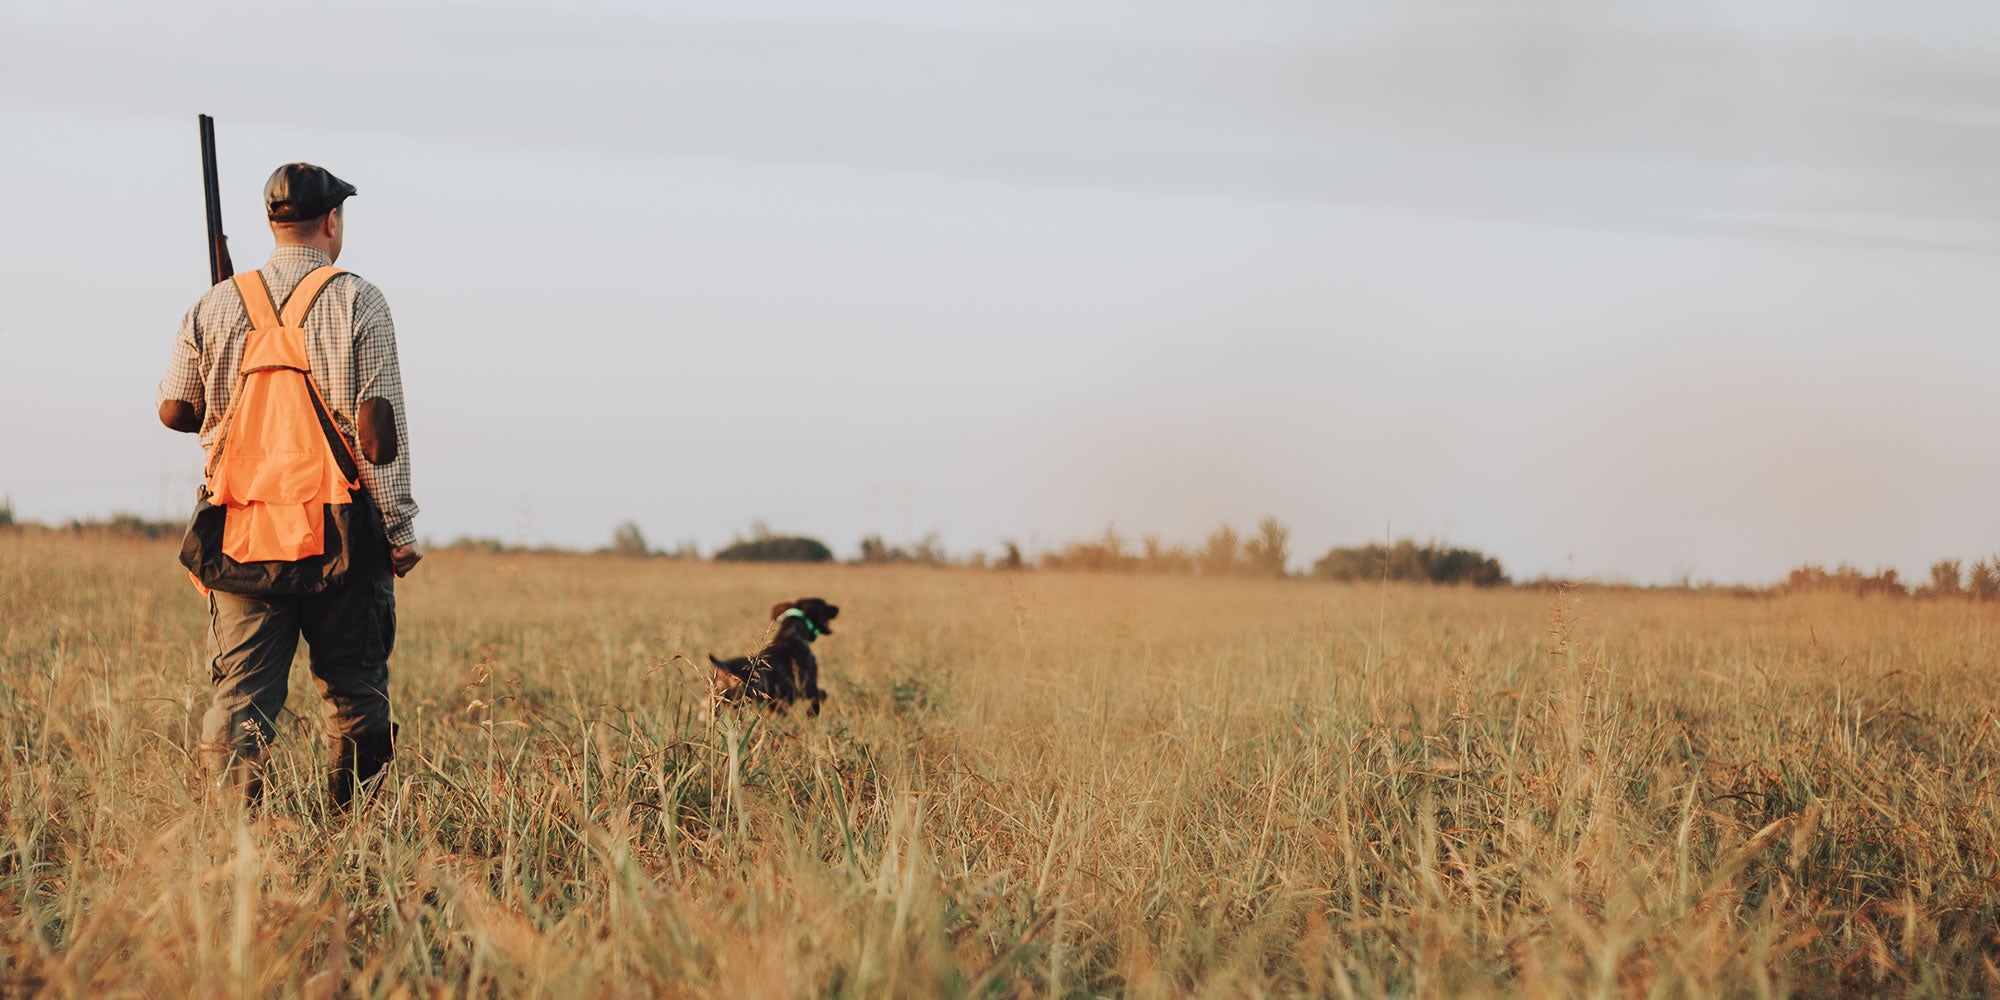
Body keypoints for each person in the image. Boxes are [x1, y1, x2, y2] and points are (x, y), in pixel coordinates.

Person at [158, 162, 421, 812]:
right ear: (332, 221)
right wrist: (399, 531)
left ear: (272, 222)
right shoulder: (360, 299)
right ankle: (352, 837)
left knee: (239, 701)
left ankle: (231, 847)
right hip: (343, 539)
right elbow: (379, 435)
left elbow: (175, 409)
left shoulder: (214, 303)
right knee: (358, 695)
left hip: (243, 538)